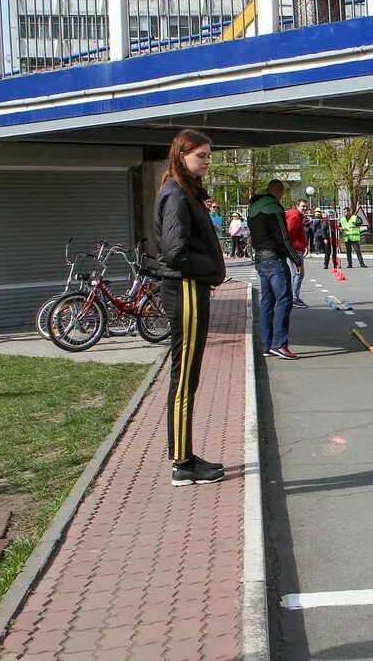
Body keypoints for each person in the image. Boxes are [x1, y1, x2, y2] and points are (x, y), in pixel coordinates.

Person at [154, 129, 226, 487]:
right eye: (201, 155)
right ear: (182, 156)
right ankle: (182, 463)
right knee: (184, 378)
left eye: (209, 155)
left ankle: (185, 454)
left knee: (188, 377)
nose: (208, 161)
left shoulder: (185, 192)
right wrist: (211, 269)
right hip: (184, 289)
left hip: (190, 288)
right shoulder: (176, 195)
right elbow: (174, 250)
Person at [248, 179, 304, 360]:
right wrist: (297, 260)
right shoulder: (274, 208)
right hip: (275, 260)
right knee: (284, 301)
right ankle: (280, 344)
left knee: (266, 302)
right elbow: (283, 238)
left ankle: (267, 345)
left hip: (260, 260)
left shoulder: (253, 208)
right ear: (278, 191)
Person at [286, 199, 309, 308]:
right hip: (295, 250)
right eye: (303, 206)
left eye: (306, 206)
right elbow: (289, 233)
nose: (305, 208)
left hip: (297, 248)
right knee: (300, 274)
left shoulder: (297, 216)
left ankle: (292, 297)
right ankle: (294, 298)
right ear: (297, 206)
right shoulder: (295, 217)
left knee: (296, 274)